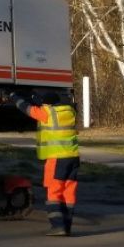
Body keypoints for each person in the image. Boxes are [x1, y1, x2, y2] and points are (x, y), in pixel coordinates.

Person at [10, 90, 79, 236]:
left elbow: (26, 108)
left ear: (47, 104)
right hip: (73, 158)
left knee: (54, 192)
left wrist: (14, 96)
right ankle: (67, 226)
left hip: (57, 158)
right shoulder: (69, 112)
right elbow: (43, 105)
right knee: (68, 193)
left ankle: (58, 226)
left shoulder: (46, 113)